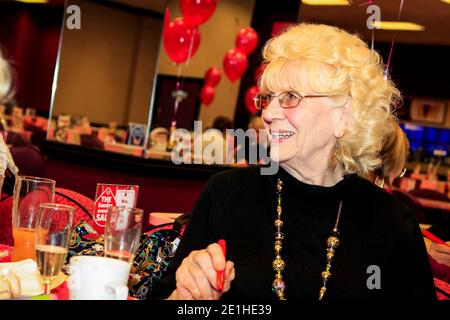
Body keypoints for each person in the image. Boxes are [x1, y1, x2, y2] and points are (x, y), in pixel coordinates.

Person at [150, 23, 435, 300]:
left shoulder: (390, 223)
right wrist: (185, 296)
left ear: (344, 116)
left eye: (290, 97)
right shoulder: (227, 194)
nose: (269, 113)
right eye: (267, 98)